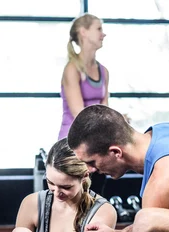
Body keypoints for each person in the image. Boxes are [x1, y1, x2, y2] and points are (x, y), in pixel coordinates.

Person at [58, 13, 109, 195]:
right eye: (99, 29)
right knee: (76, 200)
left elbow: (105, 110)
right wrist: (108, 120)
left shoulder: (104, 71)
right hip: (73, 142)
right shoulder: (72, 69)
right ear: (84, 32)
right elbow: (79, 114)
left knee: (96, 198)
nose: (103, 34)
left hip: (97, 141)